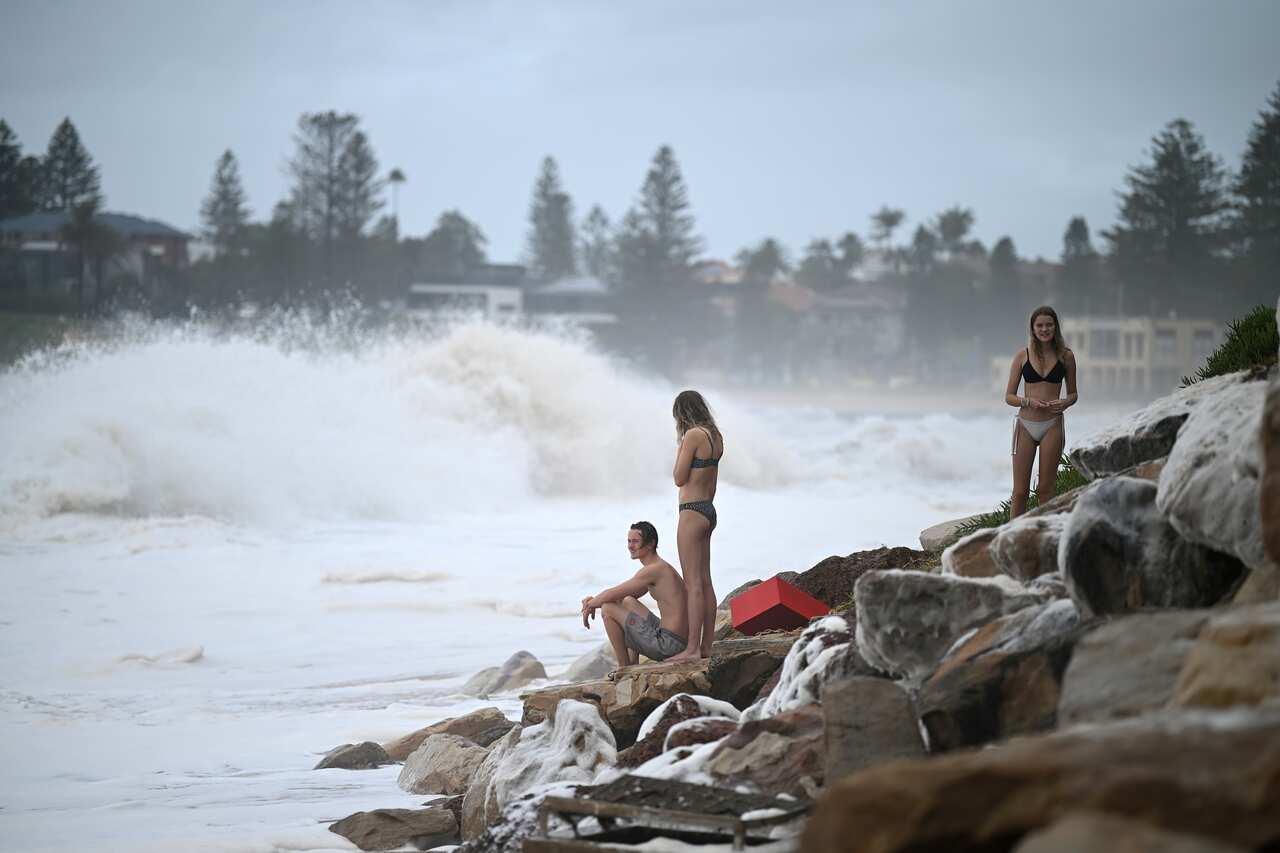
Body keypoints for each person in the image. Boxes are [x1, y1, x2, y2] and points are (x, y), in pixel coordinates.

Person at [580, 521, 689, 670]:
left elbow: (611, 594)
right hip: (675, 639)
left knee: (607, 608)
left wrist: (589, 605)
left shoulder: (654, 570)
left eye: (636, 542)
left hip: (669, 645)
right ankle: (633, 662)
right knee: (628, 601)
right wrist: (593, 601)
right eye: (629, 541)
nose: (630, 546)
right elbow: (620, 596)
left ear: (650, 544)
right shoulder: (660, 567)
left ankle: (624, 668)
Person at [1004, 305, 1079, 518]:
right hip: (1025, 425)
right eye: (1040, 325)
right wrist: (1027, 401)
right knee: (1020, 492)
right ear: (1033, 329)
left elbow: (1073, 394)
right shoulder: (1022, 356)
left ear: (1055, 327)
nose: (1044, 329)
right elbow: (1009, 397)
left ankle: (1045, 536)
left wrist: (1065, 402)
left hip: (1052, 425)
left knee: (1045, 490)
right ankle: (1012, 539)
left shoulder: (1066, 356)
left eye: (1049, 325)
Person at [665, 390, 722, 662]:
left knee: (693, 584)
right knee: (706, 582)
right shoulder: (715, 435)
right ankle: (707, 646)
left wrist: (681, 447)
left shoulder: (692, 436)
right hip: (708, 510)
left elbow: (678, 477)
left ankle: (692, 649)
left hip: (691, 512)